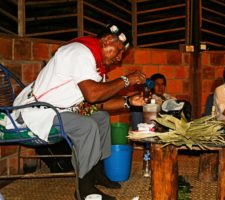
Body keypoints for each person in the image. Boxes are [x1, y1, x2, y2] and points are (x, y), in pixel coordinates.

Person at [7, 24, 146, 200]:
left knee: (101, 118)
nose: (119, 58)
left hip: (60, 111)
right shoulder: (79, 52)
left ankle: (97, 172)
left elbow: (99, 104)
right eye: (118, 51)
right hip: (40, 112)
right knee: (86, 126)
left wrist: (128, 102)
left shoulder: (95, 65)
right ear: (107, 40)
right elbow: (93, 94)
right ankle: (85, 189)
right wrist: (126, 80)